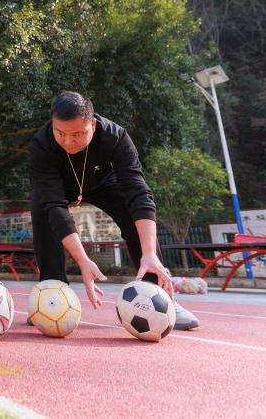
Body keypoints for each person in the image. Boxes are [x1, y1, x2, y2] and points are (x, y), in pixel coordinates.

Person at [29, 91, 200, 330]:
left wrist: (149, 253)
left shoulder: (115, 136)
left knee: (133, 213)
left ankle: (159, 295)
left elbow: (139, 192)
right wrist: (83, 260)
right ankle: (51, 297)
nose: (68, 141)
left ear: (92, 124)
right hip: (59, 188)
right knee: (43, 211)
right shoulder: (41, 144)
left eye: (77, 134)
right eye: (61, 133)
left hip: (103, 184)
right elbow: (56, 207)